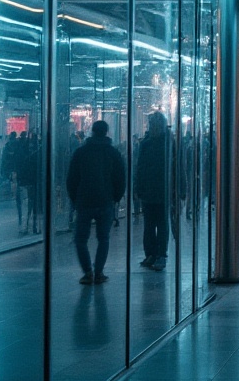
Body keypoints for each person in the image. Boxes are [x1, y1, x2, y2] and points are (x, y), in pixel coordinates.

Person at [66, 120, 125, 285]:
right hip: (105, 200)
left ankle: (87, 272)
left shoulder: (81, 152)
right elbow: (120, 178)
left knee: (80, 239)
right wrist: (116, 198)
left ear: (92, 131)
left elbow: (71, 179)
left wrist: (74, 198)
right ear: (106, 132)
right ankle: (99, 272)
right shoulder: (113, 153)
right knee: (103, 238)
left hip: (84, 201)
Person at [135, 111, 174, 270]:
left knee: (156, 225)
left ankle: (157, 254)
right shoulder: (150, 143)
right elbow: (140, 168)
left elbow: (140, 168)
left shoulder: (165, 143)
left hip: (158, 191)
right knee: (153, 225)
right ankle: (154, 254)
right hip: (153, 191)